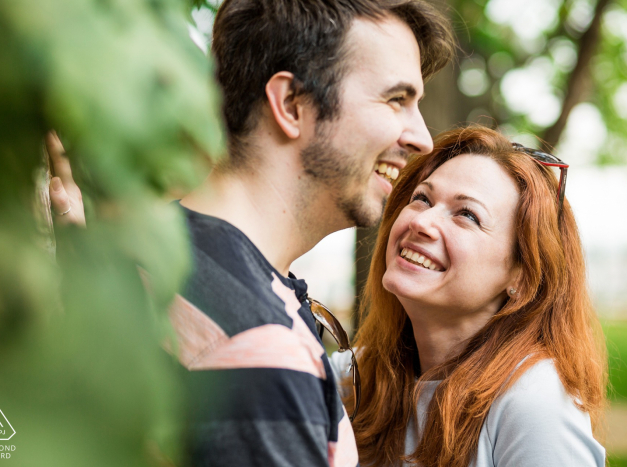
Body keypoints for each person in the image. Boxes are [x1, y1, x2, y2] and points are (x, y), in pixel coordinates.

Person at [47, 1, 456, 466]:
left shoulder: (142, 255)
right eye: (396, 99)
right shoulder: (261, 356)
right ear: (291, 104)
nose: (422, 137)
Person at [331, 126, 608, 467]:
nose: (423, 222)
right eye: (422, 198)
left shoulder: (533, 404)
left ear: (522, 277)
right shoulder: (353, 376)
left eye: (467, 215)